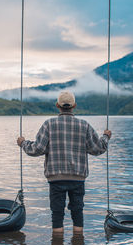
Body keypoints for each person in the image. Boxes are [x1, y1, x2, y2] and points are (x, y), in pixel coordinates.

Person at [17, 91, 112, 235]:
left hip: (56, 179)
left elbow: (37, 149)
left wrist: (23, 143)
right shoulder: (84, 125)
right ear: (74, 106)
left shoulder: (49, 124)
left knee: (57, 215)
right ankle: (78, 244)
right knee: (77, 213)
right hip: (78, 178)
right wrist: (105, 136)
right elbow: (98, 148)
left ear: (57, 106)